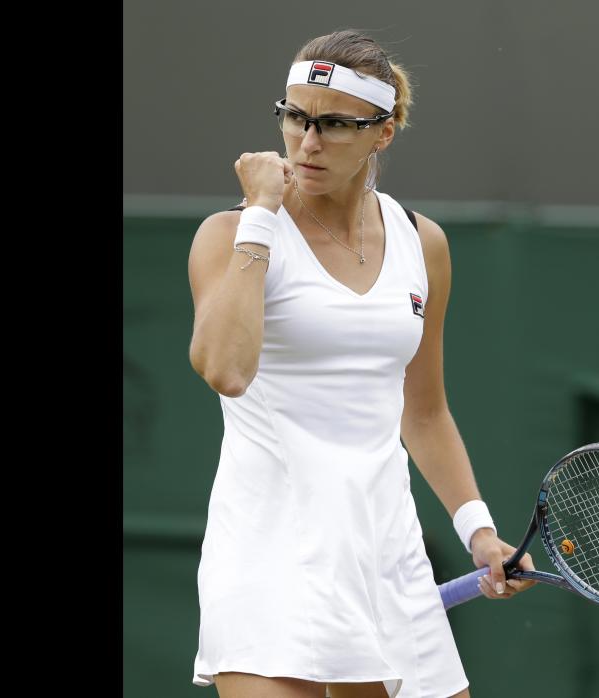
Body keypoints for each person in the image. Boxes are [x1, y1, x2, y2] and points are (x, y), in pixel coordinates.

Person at [187, 29, 535, 698]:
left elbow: (424, 411)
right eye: (294, 116)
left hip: (387, 559)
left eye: (335, 125)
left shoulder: (421, 243)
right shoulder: (230, 234)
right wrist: (262, 213)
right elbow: (225, 369)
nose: (307, 141)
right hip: (266, 560)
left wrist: (480, 531)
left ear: (382, 134)